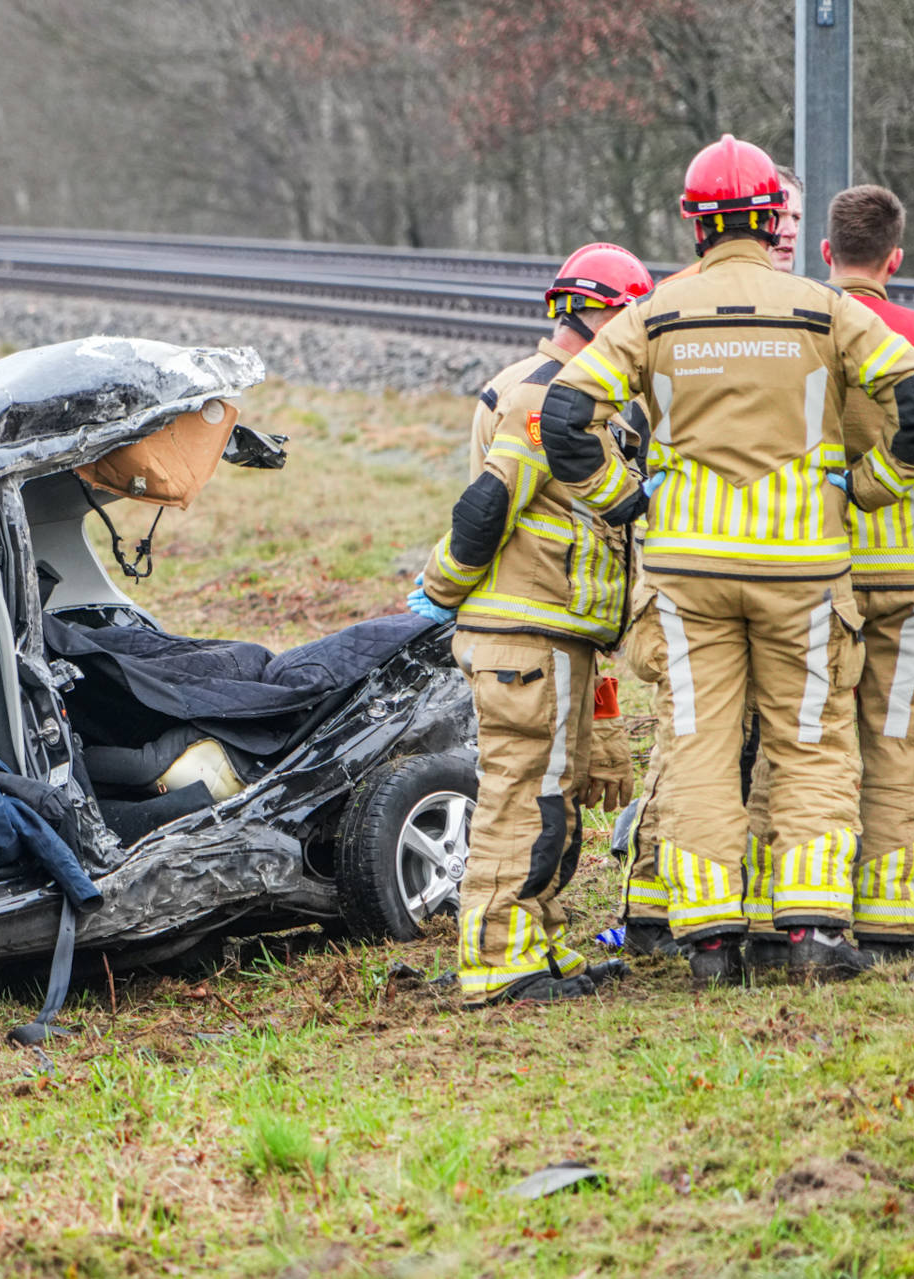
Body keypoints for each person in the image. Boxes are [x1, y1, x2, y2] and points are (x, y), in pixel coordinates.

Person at [540, 133, 914, 988]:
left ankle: (709, 940)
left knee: (696, 743)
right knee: (809, 742)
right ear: (772, 221)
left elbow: (566, 414)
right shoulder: (821, 308)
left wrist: (626, 499)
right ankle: (810, 931)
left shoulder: (656, 313)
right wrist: (871, 486)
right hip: (802, 570)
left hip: (687, 573)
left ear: (695, 223)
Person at [408, 242, 653, 1007]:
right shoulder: (547, 397)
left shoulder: (556, 387)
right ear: (599, 315)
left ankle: (536, 941)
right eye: (633, 320)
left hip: (554, 631)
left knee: (554, 796)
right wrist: (440, 586)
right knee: (524, 798)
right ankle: (497, 957)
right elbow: (488, 506)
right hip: (526, 634)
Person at [614, 165, 803, 960]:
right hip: (700, 570)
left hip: (746, 565)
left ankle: (723, 905)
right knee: (695, 740)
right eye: (780, 223)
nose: (784, 238)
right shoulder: (683, 309)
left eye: (793, 227)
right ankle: (660, 904)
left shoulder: (789, 310)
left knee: (739, 739)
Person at [820, 184, 914, 972]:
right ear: (895, 258)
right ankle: (890, 921)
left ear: (826, 253)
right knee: (898, 743)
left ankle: (804, 910)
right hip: (910, 582)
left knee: (808, 745)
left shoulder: (801, 328)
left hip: (815, 574)